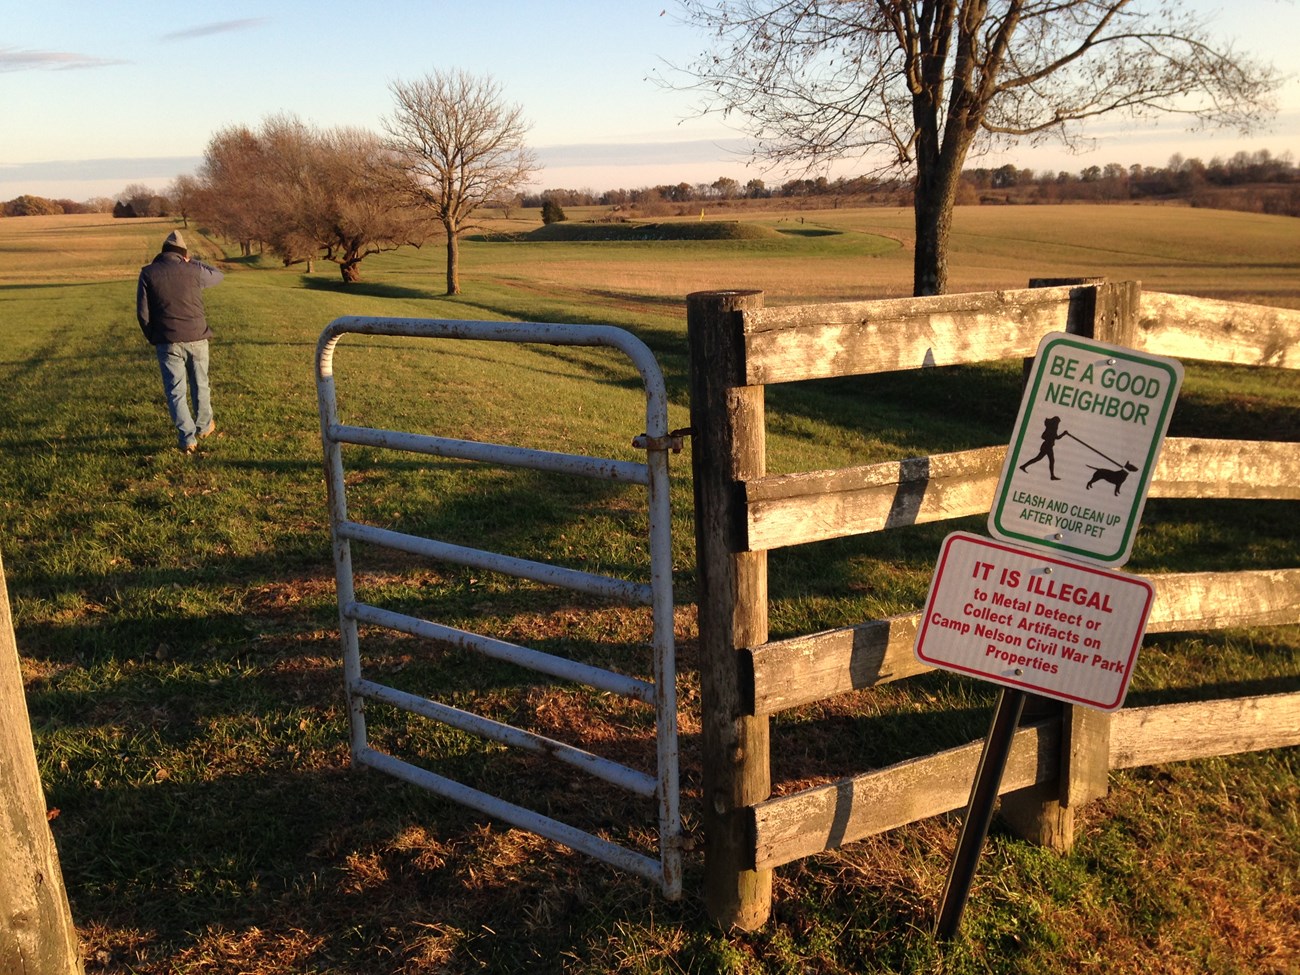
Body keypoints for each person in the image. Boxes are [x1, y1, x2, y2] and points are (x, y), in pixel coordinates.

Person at [136, 230, 224, 453]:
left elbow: (143, 314)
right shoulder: (193, 270)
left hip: (167, 340)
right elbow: (217, 275)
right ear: (183, 253)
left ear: (162, 252)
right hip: (197, 336)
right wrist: (192, 260)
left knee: (176, 390)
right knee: (200, 382)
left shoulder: (148, 273)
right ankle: (204, 426)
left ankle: (187, 439)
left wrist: (154, 337)